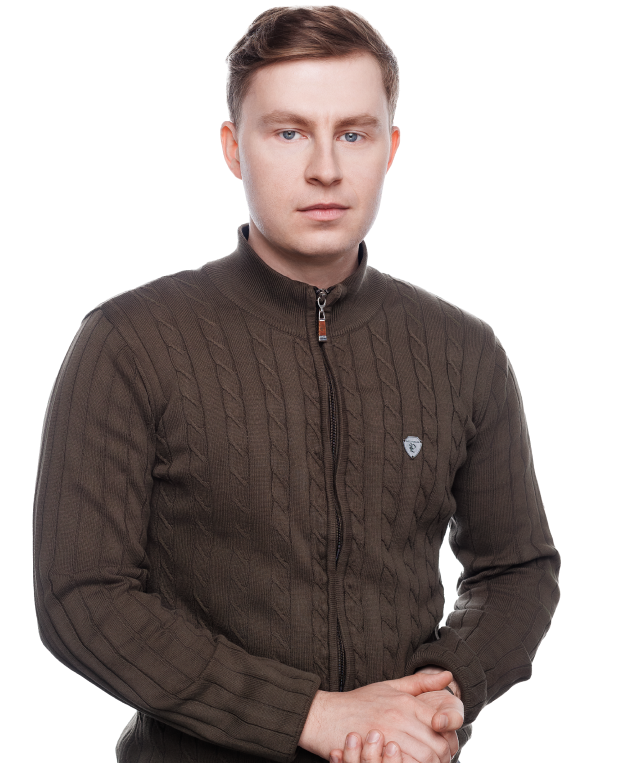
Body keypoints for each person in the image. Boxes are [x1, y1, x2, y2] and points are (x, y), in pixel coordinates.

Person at [32, 5, 561, 763]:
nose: (325, 168)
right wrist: (310, 715)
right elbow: (82, 597)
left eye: (353, 133)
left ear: (391, 147)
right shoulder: (129, 341)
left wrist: (441, 692)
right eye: (288, 132)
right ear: (233, 147)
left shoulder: (463, 349)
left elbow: (517, 568)